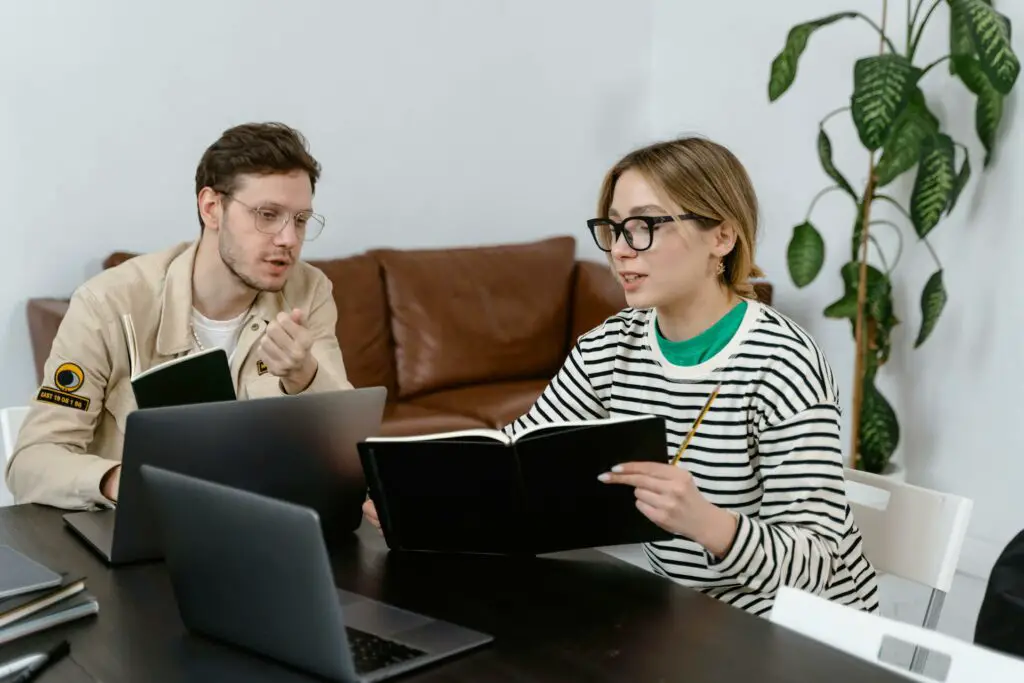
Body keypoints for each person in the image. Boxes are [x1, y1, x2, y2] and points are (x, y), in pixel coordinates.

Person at [364, 136, 879, 617]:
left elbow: (819, 566)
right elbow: (512, 457)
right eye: (614, 228)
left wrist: (708, 523)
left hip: (802, 636)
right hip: (686, 621)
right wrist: (425, 501)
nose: (621, 250)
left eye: (646, 226)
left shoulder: (783, 364)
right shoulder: (611, 346)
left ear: (722, 236)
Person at [7, 122, 353, 510]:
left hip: (265, 524)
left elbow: (344, 443)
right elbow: (31, 462)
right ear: (211, 208)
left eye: (301, 220)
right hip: (143, 533)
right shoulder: (107, 303)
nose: (289, 239)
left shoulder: (309, 291)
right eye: (267, 215)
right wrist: (122, 481)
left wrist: (304, 375)